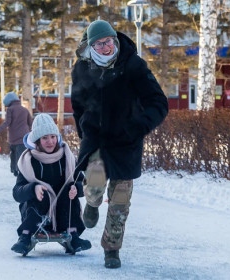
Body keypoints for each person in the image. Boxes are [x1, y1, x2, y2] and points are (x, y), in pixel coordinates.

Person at [71, 20, 169, 268]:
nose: (105, 47)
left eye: (108, 41)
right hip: (96, 141)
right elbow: (78, 105)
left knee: (121, 200)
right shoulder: (81, 69)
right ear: (90, 45)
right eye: (99, 43)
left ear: (115, 40)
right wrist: (84, 129)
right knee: (93, 185)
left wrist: (138, 127)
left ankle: (111, 249)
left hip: (126, 142)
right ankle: (92, 204)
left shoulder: (133, 66)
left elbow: (158, 102)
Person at [10, 113, 91, 256]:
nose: (50, 141)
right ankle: (25, 236)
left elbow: (83, 183)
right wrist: (32, 188)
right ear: (37, 140)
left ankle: (73, 236)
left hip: (63, 217)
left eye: (53, 137)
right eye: (44, 138)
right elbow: (17, 193)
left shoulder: (67, 157)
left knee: (68, 190)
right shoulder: (28, 161)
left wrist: (76, 188)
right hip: (38, 219)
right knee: (41, 193)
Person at [0, 92, 32, 177]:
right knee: (21, 155)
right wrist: (29, 132)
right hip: (24, 137)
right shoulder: (25, 110)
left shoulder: (10, 110)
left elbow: (7, 122)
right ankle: (20, 170)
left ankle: (14, 169)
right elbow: (30, 122)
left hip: (13, 138)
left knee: (13, 154)